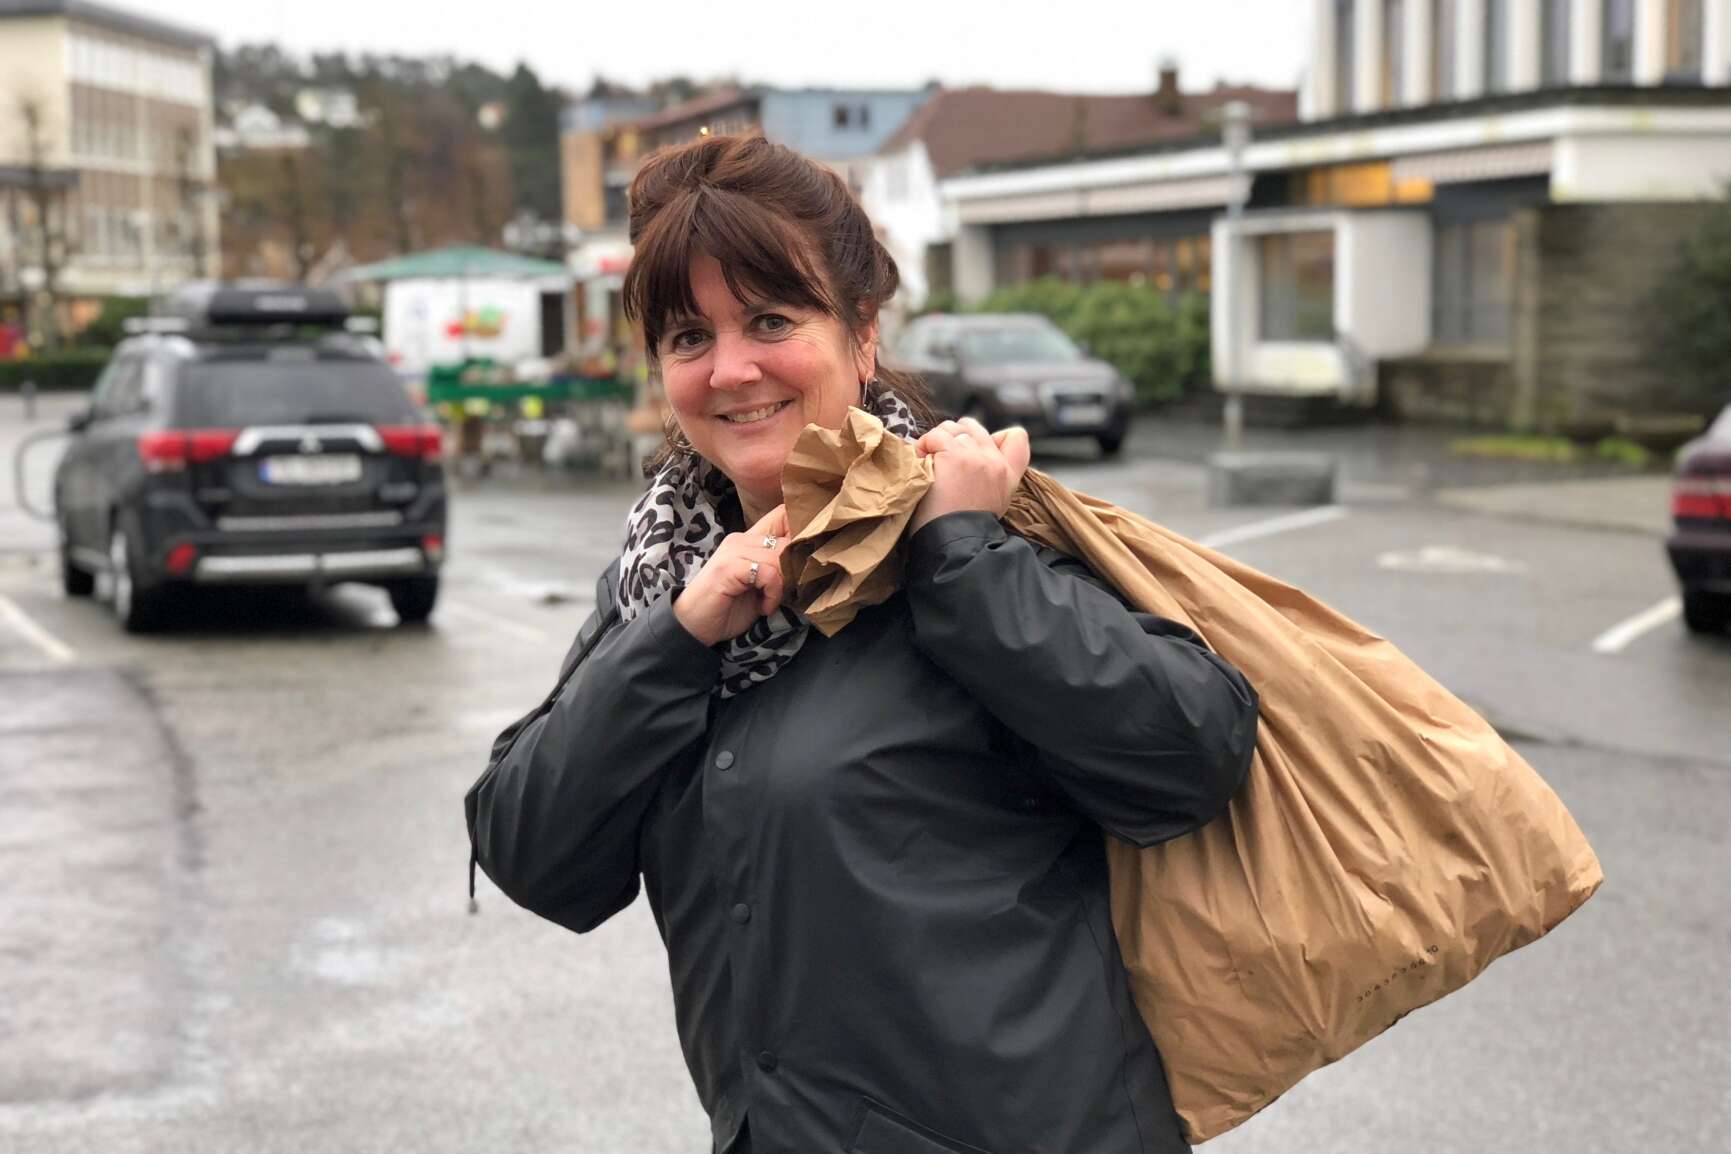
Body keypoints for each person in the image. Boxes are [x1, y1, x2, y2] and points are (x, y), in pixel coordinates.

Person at [465, 134, 1259, 1154]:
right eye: (688, 335)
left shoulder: (965, 526)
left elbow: (1192, 756)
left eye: (771, 320)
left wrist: (965, 565)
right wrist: (677, 639)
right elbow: (534, 855)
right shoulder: (665, 580)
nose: (731, 369)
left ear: (863, 333)